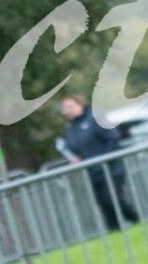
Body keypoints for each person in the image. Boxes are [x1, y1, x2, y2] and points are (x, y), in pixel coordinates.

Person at [56, 95, 139, 233]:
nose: (67, 110)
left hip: (112, 168)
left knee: (112, 200)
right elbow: (72, 149)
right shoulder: (70, 130)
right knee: (104, 205)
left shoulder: (95, 118)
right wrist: (74, 159)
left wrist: (104, 159)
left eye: (70, 106)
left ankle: (135, 219)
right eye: (65, 108)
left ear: (80, 105)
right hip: (93, 173)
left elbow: (113, 137)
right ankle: (115, 232)